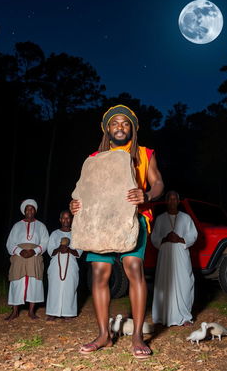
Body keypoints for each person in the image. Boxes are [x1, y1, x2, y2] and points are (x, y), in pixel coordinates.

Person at [70, 104, 164, 359]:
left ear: (132, 128)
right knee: (100, 273)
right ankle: (103, 335)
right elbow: (83, 192)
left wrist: (146, 195)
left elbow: (157, 183)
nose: (120, 127)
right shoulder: (94, 158)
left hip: (134, 219)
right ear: (107, 129)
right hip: (100, 223)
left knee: (134, 268)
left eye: (125, 123)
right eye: (115, 123)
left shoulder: (144, 153)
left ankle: (137, 337)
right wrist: (75, 204)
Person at [151, 190, 198, 327]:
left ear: (178, 202)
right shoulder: (160, 219)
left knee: (185, 282)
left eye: (174, 199)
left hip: (181, 253)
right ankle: (163, 316)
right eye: (170, 199)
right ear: (167, 201)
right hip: (165, 254)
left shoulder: (186, 218)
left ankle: (184, 317)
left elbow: (193, 235)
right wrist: (165, 238)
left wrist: (181, 239)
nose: (172, 201)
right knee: (165, 283)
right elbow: (154, 237)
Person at [5, 199, 49, 320]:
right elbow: (10, 243)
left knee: (34, 283)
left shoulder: (41, 226)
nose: (29, 211)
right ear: (24, 211)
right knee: (17, 282)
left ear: (35, 211)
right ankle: (14, 311)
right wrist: (20, 251)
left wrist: (34, 250)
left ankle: (31, 311)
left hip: (34, 257)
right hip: (19, 257)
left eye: (32, 208)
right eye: (27, 209)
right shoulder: (17, 225)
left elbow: (45, 242)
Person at [46, 210, 83, 320]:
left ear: (71, 220)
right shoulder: (55, 233)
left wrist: (68, 249)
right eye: (63, 218)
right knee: (54, 287)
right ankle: (52, 313)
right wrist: (59, 248)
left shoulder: (76, 233)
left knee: (70, 287)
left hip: (71, 265)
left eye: (68, 218)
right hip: (55, 265)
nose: (65, 220)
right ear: (60, 219)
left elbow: (78, 252)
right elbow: (50, 252)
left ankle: (68, 313)